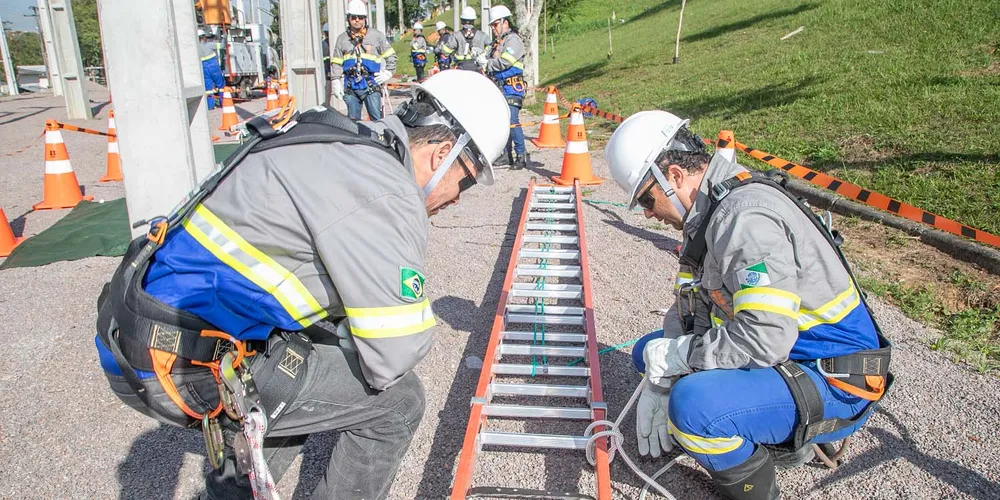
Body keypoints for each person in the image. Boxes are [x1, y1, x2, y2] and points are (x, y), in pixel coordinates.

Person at [93, 70, 511, 500]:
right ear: (441, 153)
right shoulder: (386, 188)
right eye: (465, 181)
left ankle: (234, 493)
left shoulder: (337, 141)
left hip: (138, 330)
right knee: (399, 403)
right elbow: (394, 351)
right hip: (179, 361)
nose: (457, 198)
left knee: (306, 367)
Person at [604, 110, 893, 500]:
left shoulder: (744, 220)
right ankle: (761, 423)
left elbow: (765, 337)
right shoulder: (710, 210)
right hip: (792, 353)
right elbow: (691, 307)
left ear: (674, 176)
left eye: (646, 199)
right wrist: (665, 368)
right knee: (649, 353)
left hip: (833, 376)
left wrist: (682, 359)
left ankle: (762, 479)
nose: (648, 213)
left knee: (694, 406)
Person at [330, 0, 397, 121]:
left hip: (371, 86)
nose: (357, 20)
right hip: (351, 87)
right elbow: (336, 62)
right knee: (352, 123)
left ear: (365, 18)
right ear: (348, 18)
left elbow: (391, 56)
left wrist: (388, 73)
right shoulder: (342, 39)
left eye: (360, 17)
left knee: (377, 122)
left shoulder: (376, 36)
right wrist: (335, 81)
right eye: (353, 17)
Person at [478, 5, 527, 170]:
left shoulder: (513, 40)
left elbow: (505, 62)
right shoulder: (497, 42)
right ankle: (506, 155)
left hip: (512, 87)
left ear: (504, 22)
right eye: (492, 25)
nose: (493, 28)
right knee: (502, 123)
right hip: (499, 88)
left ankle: (521, 155)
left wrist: (488, 64)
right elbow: (488, 57)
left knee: (512, 121)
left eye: (494, 25)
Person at [454, 6, 491, 72]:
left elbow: (446, 50)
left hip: (461, 68)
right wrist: (483, 55)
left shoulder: (456, 35)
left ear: (461, 20)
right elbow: (491, 46)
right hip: (478, 68)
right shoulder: (482, 35)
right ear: (474, 20)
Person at [198, 29, 225, 110]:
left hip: (204, 69)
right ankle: (223, 103)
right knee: (221, 86)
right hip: (214, 68)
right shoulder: (209, 45)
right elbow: (222, 46)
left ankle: (210, 106)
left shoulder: (196, 48)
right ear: (203, 37)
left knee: (208, 89)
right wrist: (224, 37)